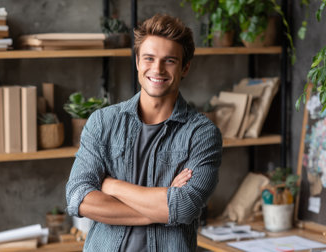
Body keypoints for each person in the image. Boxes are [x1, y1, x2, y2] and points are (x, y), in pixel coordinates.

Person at [66, 13, 222, 252]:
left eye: (169, 60)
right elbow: (78, 196)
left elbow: (184, 208)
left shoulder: (201, 134)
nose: (157, 69)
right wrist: (163, 207)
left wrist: (111, 186)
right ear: (138, 62)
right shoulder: (102, 123)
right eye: (149, 58)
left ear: (185, 67)